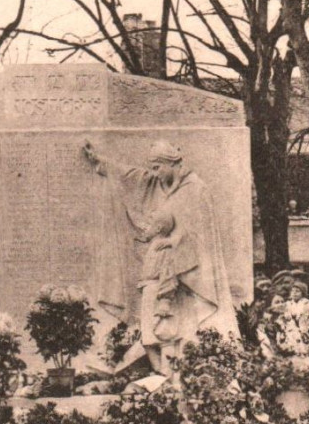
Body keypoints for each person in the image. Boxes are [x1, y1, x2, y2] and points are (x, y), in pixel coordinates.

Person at [82, 139, 238, 372]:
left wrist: (173, 242)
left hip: (185, 278)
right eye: (152, 168)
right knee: (155, 331)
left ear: (172, 163)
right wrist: (101, 161)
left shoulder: (195, 189)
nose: (154, 173)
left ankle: (177, 371)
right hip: (159, 277)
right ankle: (164, 372)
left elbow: (198, 231)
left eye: (158, 167)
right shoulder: (155, 182)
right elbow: (131, 176)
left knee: (173, 332)